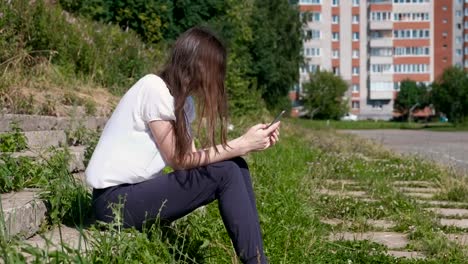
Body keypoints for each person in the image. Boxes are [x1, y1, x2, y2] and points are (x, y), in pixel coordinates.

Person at [85, 26, 280, 264]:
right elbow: (179, 161)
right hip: (112, 203)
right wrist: (241, 144)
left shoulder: (184, 102)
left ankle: (258, 258)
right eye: (214, 70)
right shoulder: (153, 88)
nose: (216, 79)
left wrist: (243, 147)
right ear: (196, 66)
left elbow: (193, 159)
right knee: (228, 169)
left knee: (235, 165)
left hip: (132, 196)